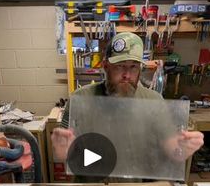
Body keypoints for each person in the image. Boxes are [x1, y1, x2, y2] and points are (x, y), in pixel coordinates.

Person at [52, 32, 204, 178]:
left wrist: (182, 148)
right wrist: (63, 152)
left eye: (133, 67)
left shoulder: (154, 102)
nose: (127, 75)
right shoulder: (81, 99)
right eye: (120, 66)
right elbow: (65, 153)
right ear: (106, 67)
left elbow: (171, 147)